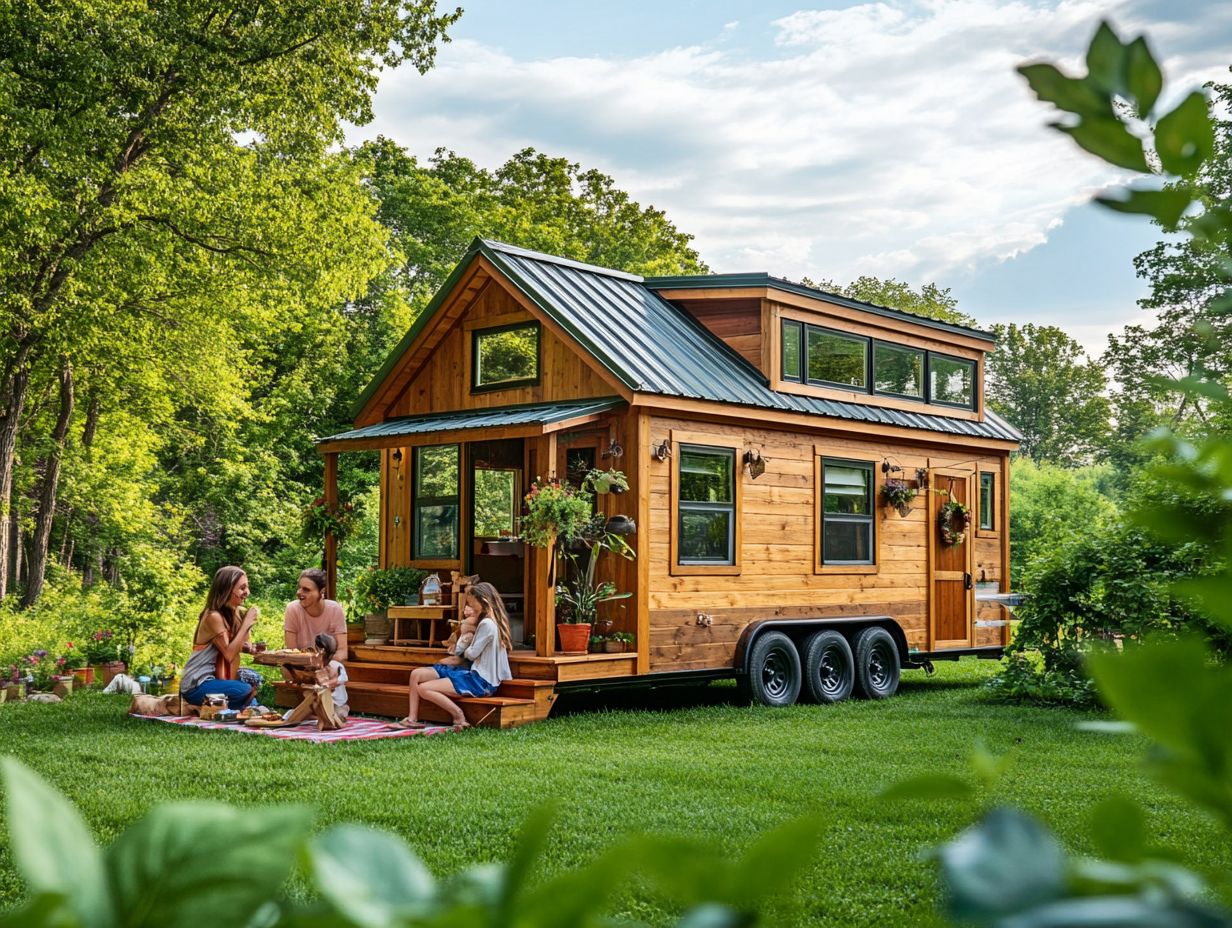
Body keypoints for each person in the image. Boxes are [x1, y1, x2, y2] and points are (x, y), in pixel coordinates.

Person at [392, 581, 513, 730]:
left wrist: (466, 644)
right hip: (473, 674)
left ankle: (459, 716)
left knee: (424, 688)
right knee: (416, 674)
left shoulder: (486, 624)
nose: (469, 608)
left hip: (479, 681)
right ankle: (411, 719)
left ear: (483, 601)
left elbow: (471, 654)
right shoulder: (485, 622)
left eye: (471, 603)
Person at [180, 566, 260, 710]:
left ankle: (234, 705)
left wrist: (248, 646)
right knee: (244, 690)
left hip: (217, 678)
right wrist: (246, 623)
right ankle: (233, 705)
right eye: (242, 588)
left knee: (255, 679)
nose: (247, 593)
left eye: (247, 587)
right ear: (227, 589)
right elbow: (229, 654)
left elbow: (240, 644)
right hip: (197, 684)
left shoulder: (232, 612)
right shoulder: (213, 616)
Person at [283, 568, 347, 661]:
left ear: (321, 591)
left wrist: (328, 667)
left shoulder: (334, 609)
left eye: (306, 590)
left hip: (329, 664)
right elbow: (291, 650)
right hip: (300, 664)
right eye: (299, 588)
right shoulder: (293, 609)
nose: (299, 592)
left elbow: (342, 651)